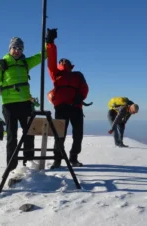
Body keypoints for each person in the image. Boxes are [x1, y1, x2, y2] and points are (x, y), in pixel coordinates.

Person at [0, 37, 46, 170]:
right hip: (9, 105)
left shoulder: (26, 63)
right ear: (9, 48)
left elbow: (43, 55)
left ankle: (29, 163)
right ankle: (12, 166)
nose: (17, 51)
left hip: (26, 104)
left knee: (29, 134)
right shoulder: (2, 63)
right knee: (11, 136)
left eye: (20, 48)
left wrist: (48, 42)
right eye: (14, 48)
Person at [45, 28, 89, 169]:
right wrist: (50, 43)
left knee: (78, 134)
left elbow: (84, 87)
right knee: (60, 135)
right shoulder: (56, 73)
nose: (63, 61)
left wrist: (80, 97)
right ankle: (57, 160)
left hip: (76, 107)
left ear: (71, 65)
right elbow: (51, 59)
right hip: (62, 107)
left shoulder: (78, 75)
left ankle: (73, 158)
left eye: (66, 61)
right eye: (61, 61)